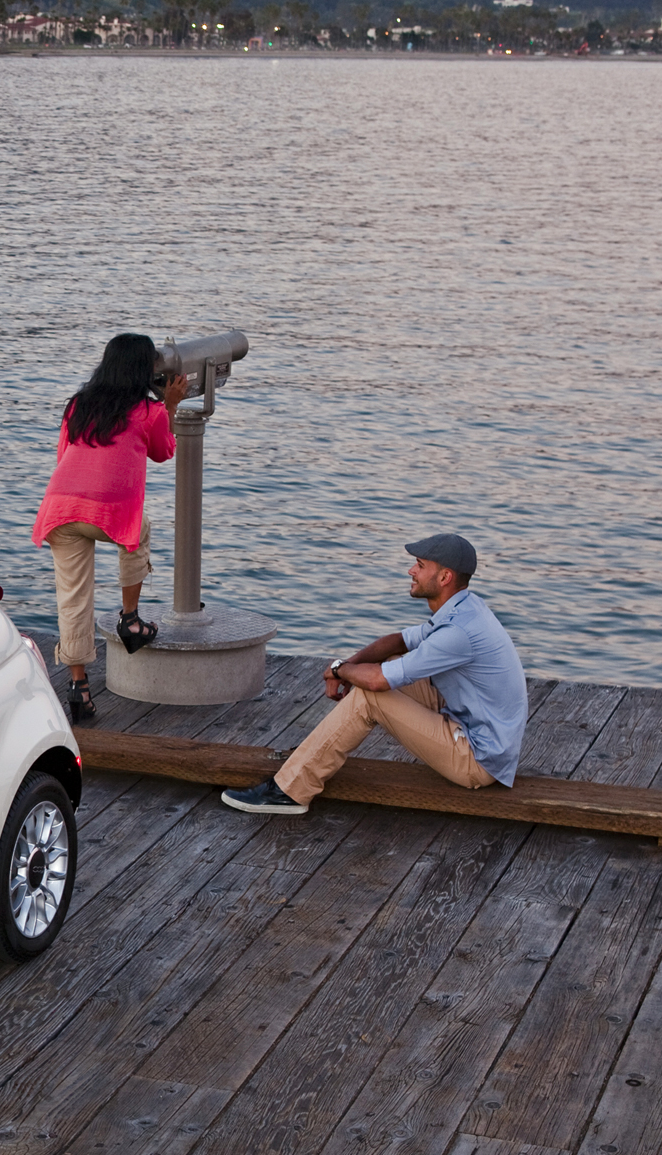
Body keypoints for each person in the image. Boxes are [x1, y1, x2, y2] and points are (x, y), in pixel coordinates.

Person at [223, 534, 526, 814]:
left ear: (444, 577)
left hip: (478, 759)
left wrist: (341, 668)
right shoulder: (464, 607)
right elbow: (398, 641)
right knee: (391, 660)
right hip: (468, 719)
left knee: (371, 695)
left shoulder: (458, 632)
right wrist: (346, 667)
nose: (411, 571)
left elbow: (378, 681)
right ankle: (308, 759)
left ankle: (291, 791)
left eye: (420, 566)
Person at [30, 332, 187, 722]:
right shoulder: (148, 412)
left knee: (72, 597)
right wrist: (170, 405)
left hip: (60, 509)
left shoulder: (78, 405)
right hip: (108, 512)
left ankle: (79, 685)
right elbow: (165, 451)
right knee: (139, 529)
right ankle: (130, 619)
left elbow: (64, 454)